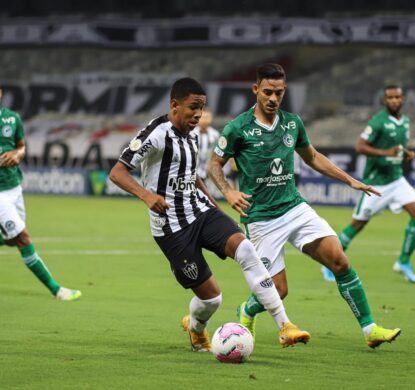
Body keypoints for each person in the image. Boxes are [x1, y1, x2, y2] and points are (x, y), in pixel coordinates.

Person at [109, 77, 310, 352]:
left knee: (246, 250)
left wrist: (214, 205)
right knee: (212, 300)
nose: (198, 115)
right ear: (174, 105)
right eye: (193, 107)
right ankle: (196, 327)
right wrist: (147, 195)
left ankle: (285, 326)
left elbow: (192, 174)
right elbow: (117, 172)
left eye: (201, 108)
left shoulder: (193, 133)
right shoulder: (155, 134)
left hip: (200, 210)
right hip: (171, 227)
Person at [208, 64, 401, 349]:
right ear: (256, 90)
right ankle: (247, 310)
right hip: (261, 218)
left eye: (279, 92)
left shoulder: (291, 123)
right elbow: (214, 164)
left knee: (339, 260)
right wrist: (228, 192)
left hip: (295, 208)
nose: (273, 98)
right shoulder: (238, 128)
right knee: (279, 290)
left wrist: (350, 180)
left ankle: (370, 329)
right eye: (267, 92)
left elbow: (312, 156)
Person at [322, 86, 415, 284]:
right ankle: (329, 262)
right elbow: (360, 147)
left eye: (397, 97)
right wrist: (387, 154)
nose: (394, 100)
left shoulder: (405, 122)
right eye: (390, 97)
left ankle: (403, 261)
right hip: (376, 183)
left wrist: (406, 154)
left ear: (403, 99)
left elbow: (398, 149)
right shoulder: (378, 122)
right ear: (384, 101)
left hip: (397, 180)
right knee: (358, 224)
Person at [0, 87, 81, 301]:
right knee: (23, 238)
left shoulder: (12, 118)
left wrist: (17, 155)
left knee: (11, 239)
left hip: (14, 186)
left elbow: (21, 147)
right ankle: (57, 290)